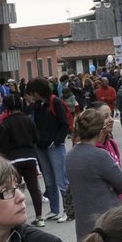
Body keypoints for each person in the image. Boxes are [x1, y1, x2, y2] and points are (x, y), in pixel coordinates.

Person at [65, 106, 122, 242]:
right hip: (107, 222)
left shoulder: (70, 156)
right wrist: (109, 184)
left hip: (84, 226)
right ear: (99, 130)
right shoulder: (101, 156)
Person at [0, 95, 48, 227]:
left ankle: (16, 219)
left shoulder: (6, 123)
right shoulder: (28, 120)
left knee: (14, 189)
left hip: (13, 160)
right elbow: (36, 138)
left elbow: (4, 145)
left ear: (7, 107)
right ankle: (40, 218)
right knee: (34, 188)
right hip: (30, 157)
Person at [27, 78, 73, 223]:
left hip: (54, 147)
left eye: (32, 92)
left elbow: (65, 124)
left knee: (61, 180)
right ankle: (54, 210)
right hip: (41, 147)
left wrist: (56, 141)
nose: (31, 96)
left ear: (38, 91)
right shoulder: (37, 105)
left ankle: (68, 211)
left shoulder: (55, 102)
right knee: (49, 180)